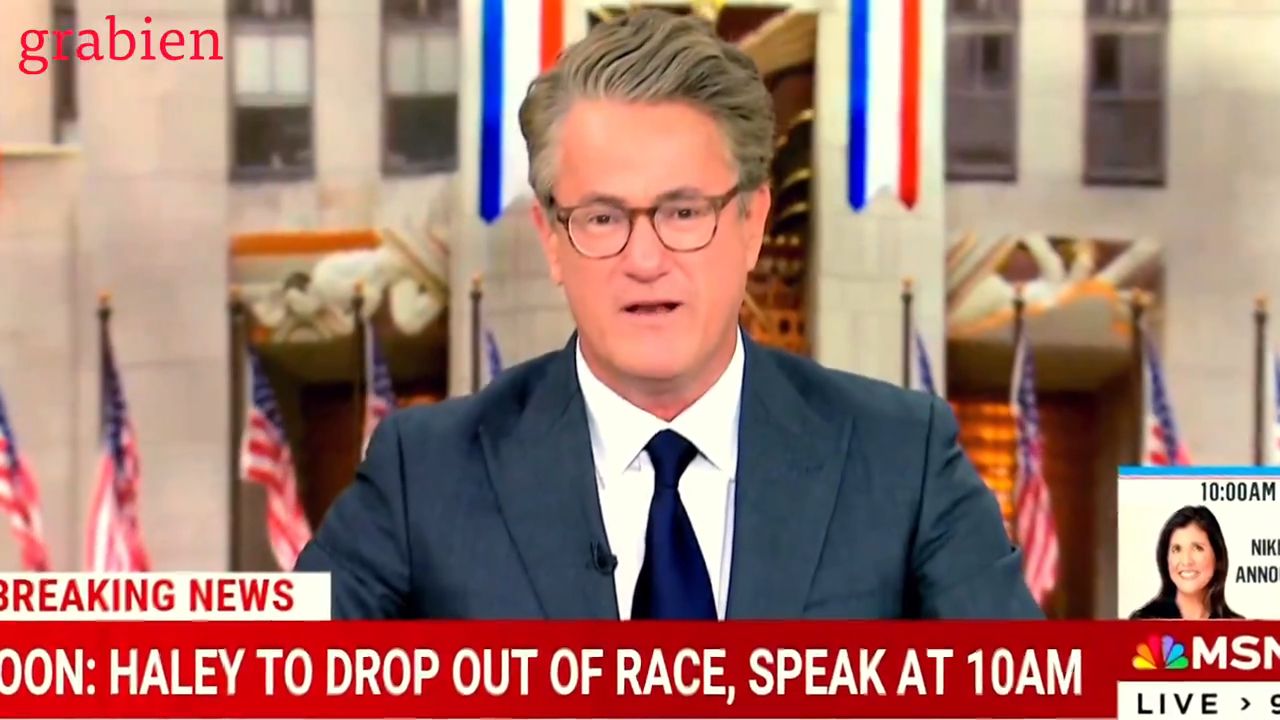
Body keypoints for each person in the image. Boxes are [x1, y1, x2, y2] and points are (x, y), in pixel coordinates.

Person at [294, 9, 1042, 620]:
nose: (645, 258)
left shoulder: (901, 461)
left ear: (752, 223)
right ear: (552, 241)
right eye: (602, 218)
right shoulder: (424, 472)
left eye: (684, 212)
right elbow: (266, 679)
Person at [1129, 505, 1243, 620]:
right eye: (1176, 549)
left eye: (1197, 548)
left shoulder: (1237, 626)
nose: (1186, 561)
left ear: (1217, 556)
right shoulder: (1144, 622)